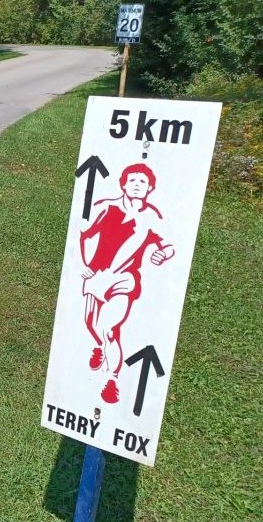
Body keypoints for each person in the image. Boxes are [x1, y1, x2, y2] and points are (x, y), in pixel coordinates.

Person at [78, 163, 175, 404]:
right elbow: (84, 234)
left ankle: (111, 380)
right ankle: (100, 347)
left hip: (125, 279)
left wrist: (163, 254)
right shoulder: (105, 207)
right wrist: (87, 264)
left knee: (108, 329)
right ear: (123, 184)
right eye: (132, 180)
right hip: (98, 276)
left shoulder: (151, 217)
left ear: (150, 188)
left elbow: (169, 245)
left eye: (142, 182)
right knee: (91, 323)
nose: (137, 185)